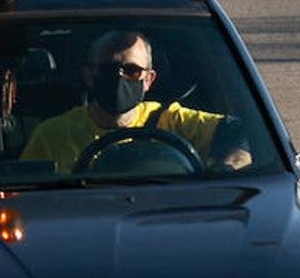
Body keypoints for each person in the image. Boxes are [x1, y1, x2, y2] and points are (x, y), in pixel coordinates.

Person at [20, 31, 252, 173]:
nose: (119, 77)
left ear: (148, 79)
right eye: (109, 70)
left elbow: (244, 134)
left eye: (131, 71)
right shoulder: (52, 134)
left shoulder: (172, 121)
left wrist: (226, 169)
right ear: (89, 76)